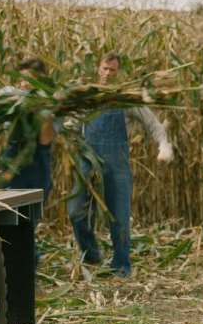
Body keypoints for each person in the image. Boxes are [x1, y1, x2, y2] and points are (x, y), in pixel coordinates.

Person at [67, 52, 173, 278]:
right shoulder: (88, 98)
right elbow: (73, 126)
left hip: (116, 165)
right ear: (98, 68)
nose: (107, 73)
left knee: (119, 217)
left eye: (112, 70)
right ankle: (92, 255)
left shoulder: (126, 100)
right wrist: (69, 131)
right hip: (88, 161)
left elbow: (153, 125)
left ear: (118, 73)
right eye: (104, 68)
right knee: (76, 211)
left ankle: (121, 266)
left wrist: (164, 146)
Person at [0, 57, 58, 267]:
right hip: (13, 157)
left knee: (32, 213)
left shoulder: (51, 101)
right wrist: (14, 100)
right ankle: (22, 259)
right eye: (23, 79)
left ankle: (28, 260)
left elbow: (45, 139)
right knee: (11, 210)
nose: (26, 84)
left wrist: (40, 109)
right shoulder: (9, 92)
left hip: (38, 158)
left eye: (32, 80)